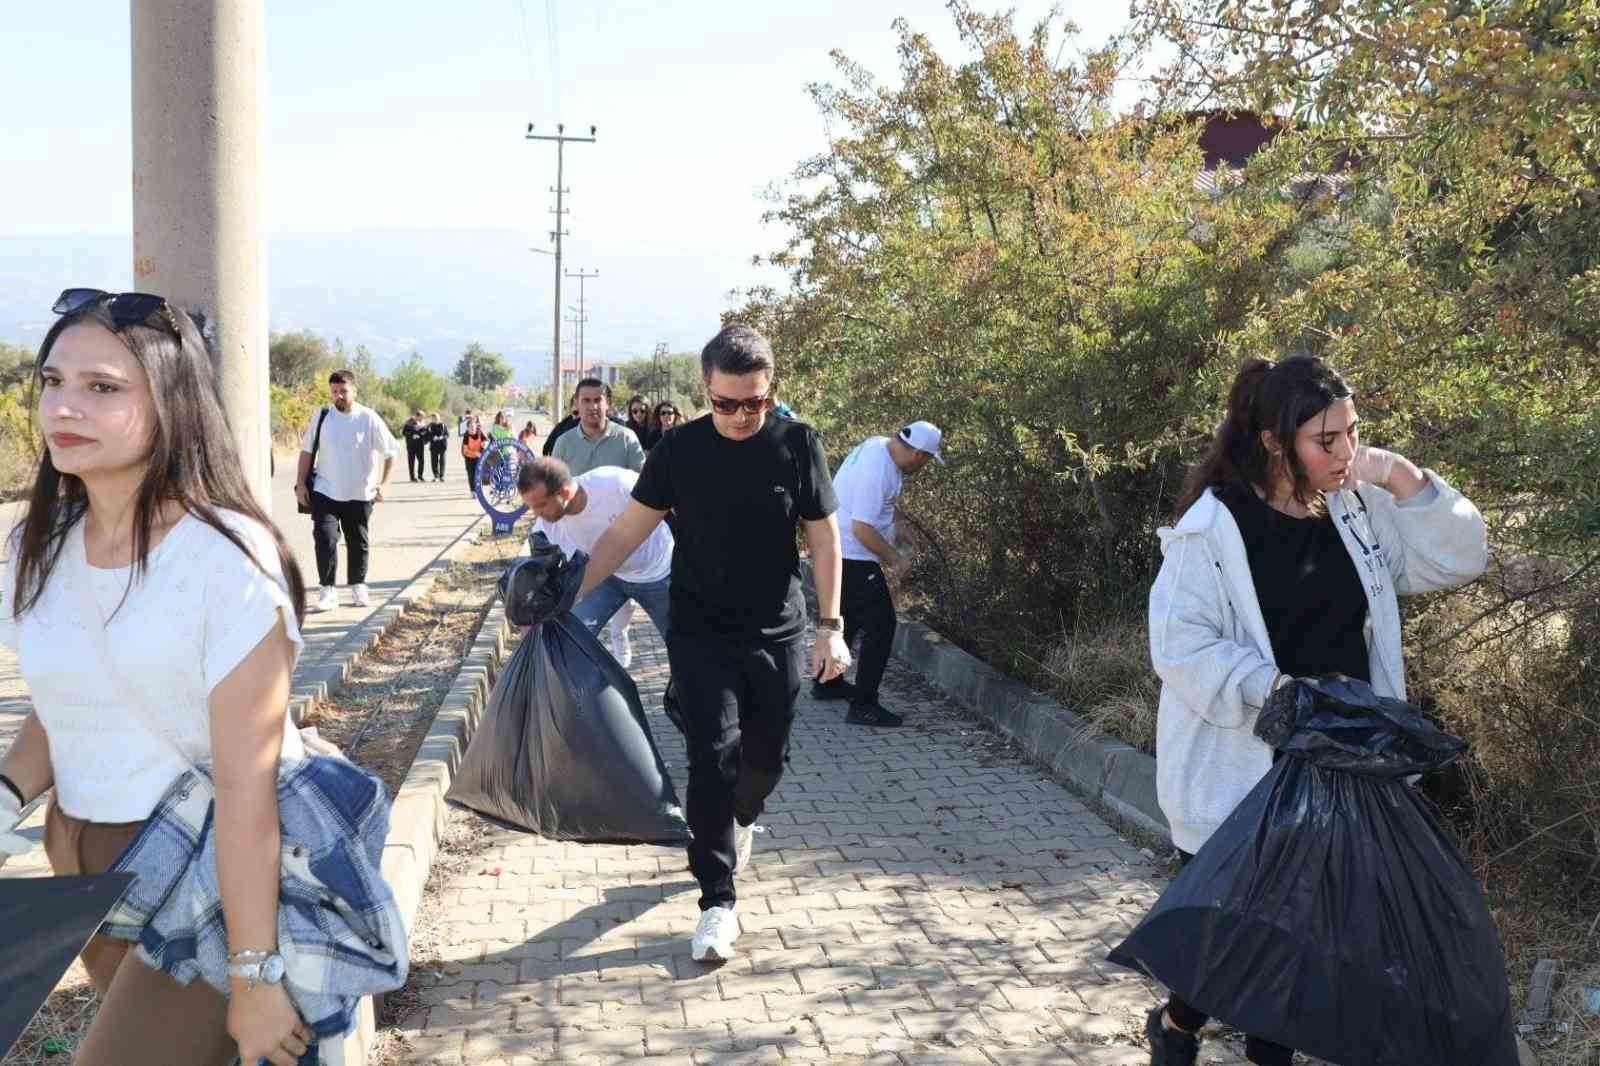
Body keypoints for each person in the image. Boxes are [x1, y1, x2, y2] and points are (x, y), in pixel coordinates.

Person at [0, 288, 315, 1066]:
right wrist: (5, 795)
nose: (64, 407)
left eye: (103, 388)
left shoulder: (226, 559)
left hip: (202, 867)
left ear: (172, 403)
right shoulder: (38, 545)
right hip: (79, 860)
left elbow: (250, 786)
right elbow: (67, 707)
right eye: (52, 382)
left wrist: (254, 975)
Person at [1144, 355, 1487, 1066]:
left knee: (1303, 941)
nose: (1345, 453)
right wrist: (1274, 692)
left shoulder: (1356, 509)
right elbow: (1179, 645)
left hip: (1340, 760)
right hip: (1248, 764)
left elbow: (1459, 559)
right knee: (1232, 937)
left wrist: (1401, 477)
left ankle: (1264, 1054)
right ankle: (1178, 1025)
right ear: (1274, 440)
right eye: (1325, 440)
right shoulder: (1215, 525)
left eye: (1353, 434)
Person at [577, 323, 850, 963]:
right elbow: (625, 533)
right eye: (725, 402)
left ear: (770, 390)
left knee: (765, 759)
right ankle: (716, 902)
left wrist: (830, 627)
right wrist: (569, 588)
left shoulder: (798, 444)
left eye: (753, 402)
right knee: (710, 757)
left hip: (777, 629)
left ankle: (745, 815)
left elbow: (825, 540)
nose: (738, 415)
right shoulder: (678, 450)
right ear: (706, 391)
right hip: (698, 629)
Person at [820, 421, 943, 726]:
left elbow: (885, 503)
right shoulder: (880, 471)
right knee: (882, 625)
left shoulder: (877, 445)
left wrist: (900, 527)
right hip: (853, 552)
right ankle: (863, 705)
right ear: (918, 454)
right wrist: (895, 559)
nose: (924, 466)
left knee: (847, 616)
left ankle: (827, 683)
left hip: (839, 548)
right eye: (927, 460)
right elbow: (862, 528)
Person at [519, 457, 673, 643]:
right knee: (567, 638)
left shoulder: (615, 484)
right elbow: (533, 580)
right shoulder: (545, 528)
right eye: (531, 507)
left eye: (541, 505)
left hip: (657, 574)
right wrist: (528, 625)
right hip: (606, 577)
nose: (537, 514)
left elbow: (670, 504)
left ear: (565, 493)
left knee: (683, 646)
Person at [295, 369, 398, 613]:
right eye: (334, 391)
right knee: (325, 538)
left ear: (354, 391)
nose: (339, 396)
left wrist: (385, 484)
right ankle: (327, 590)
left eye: (343, 391)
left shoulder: (369, 418)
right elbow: (307, 451)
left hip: (360, 493)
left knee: (357, 541)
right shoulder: (321, 416)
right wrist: (301, 483)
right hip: (325, 490)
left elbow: (392, 452)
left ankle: (358, 585)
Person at [553, 378, 646, 475]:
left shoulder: (626, 438)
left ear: (607, 403)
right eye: (586, 400)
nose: (593, 407)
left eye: (598, 400)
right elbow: (553, 485)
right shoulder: (563, 443)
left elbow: (642, 482)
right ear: (576, 403)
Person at [460, 416, 489, 496]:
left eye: (473, 426)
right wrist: (475, 453)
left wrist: (484, 444)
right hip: (469, 457)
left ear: (476, 426)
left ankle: (479, 489)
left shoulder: (480, 432)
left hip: (479, 457)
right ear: (467, 428)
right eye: (470, 427)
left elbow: (487, 441)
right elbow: (465, 450)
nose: (472, 429)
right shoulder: (466, 436)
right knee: (471, 474)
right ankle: (473, 491)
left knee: (479, 474)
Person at [402, 409, 428, 482]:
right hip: (411, 445)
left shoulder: (423, 424)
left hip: (420, 445)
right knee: (411, 461)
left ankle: (420, 476)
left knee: (421, 461)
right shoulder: (408, 423)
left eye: (423, 418)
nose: (422, 419)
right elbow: (404, 433)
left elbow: (425, 432)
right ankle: (412, 477)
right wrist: (412, 435)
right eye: (421, 417)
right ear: (417, 416)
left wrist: (421, 435)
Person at [427, 411, 449, 481]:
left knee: (442, 461)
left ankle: (441, 476)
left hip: (442, 445)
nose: (435, 419)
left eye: (436, 418)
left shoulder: (443, 425)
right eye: (433, 418)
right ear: (432, 419)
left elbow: (447, 434)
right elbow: (427, 435)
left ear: (439, 418)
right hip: (433, 446)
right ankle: (435, 475)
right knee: (434, 461)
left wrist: (441, 437)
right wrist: (432, 438)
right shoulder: (429, 426)